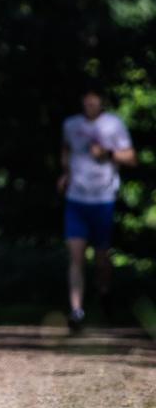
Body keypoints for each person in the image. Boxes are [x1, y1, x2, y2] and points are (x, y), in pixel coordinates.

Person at [57, 86, 136, 332]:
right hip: (76, 199)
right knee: (76, 256)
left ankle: (104, 295)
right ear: (82, 101)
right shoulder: (71, 125)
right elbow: (66, 149)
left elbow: (131, 158)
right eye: (87, 101)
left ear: (101, 102)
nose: (90, 105)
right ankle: (76, 310)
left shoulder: (114, 125)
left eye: (95, 101)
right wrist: (65, 174)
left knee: (101, 259)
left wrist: (108, 153)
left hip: (103, 199)